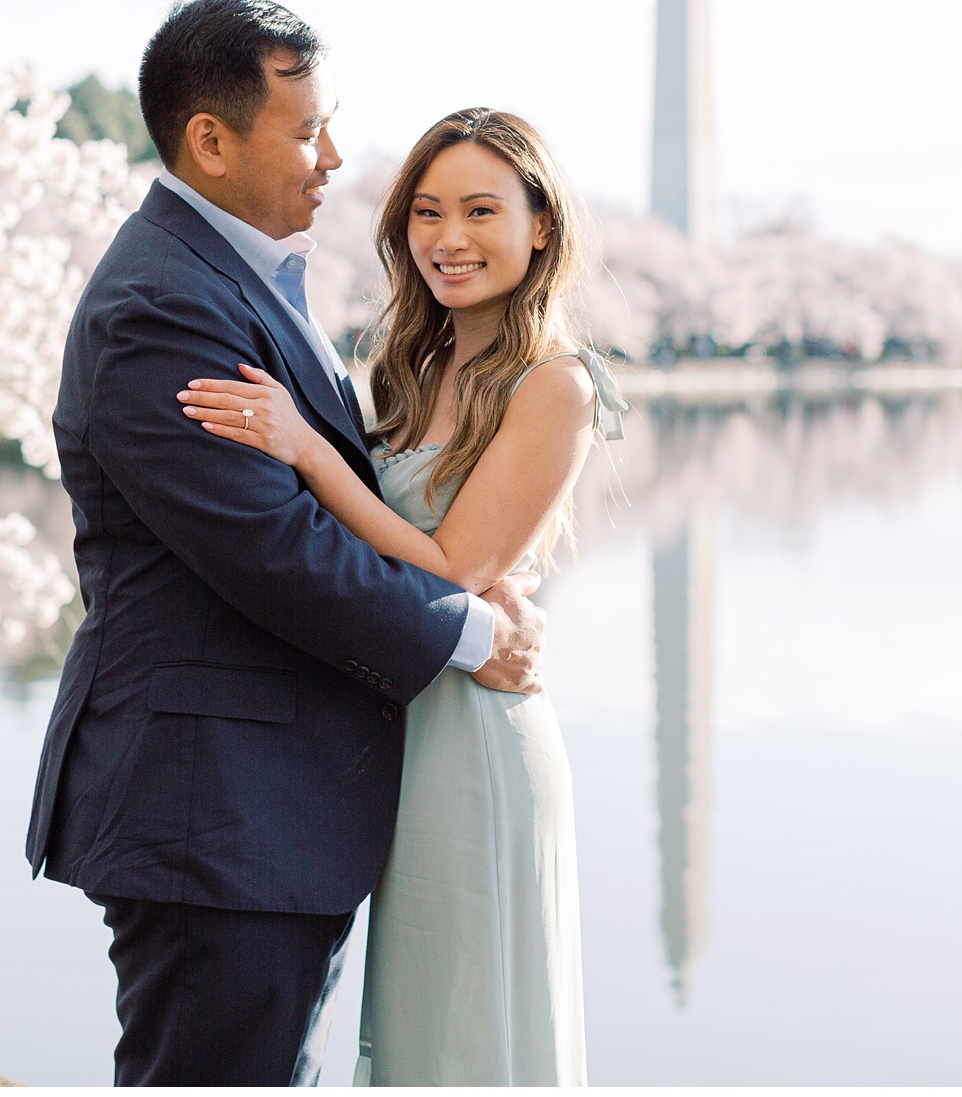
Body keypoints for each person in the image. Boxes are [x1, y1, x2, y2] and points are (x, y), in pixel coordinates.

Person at [26, 0, 549, 1087]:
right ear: (210, 140)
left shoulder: (241, 275)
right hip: (212, 810)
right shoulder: (162, 305)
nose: (334, 156)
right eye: (306, 128)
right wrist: (463, 632)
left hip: (264, 805)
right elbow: (269, 548)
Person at [179, 106, 626, 1085]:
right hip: (398, 727)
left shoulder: (557, 383)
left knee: (468, 1029)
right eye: (425, 212)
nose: (448, 238)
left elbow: (452, 565)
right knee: (417, 1019)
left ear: (539, 224)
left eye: (478, 209)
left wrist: (303, 448)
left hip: (474, 737)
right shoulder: (410, 363)